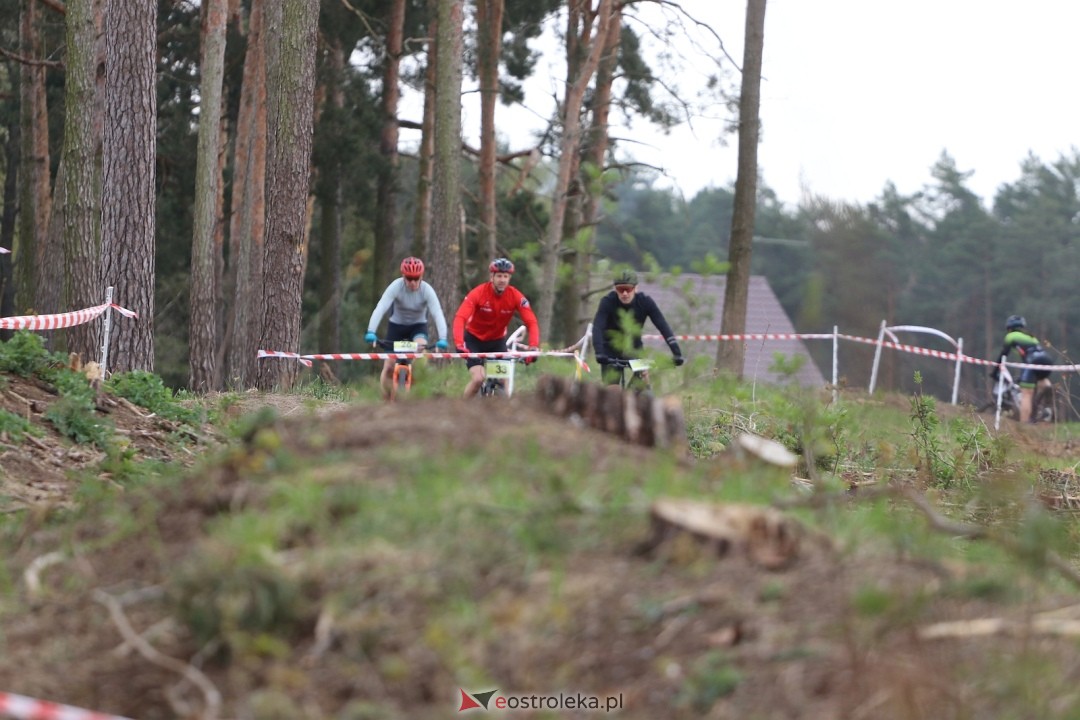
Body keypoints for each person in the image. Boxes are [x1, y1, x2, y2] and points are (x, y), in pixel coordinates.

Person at [453, 257, 541, 398]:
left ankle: (503, 416)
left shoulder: (515, 296)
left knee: (503, 381)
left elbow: (531, 322)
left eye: (506, 276)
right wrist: (459, 343)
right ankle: (462, 409)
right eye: (499, 276)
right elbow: (460, 318)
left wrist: (533, 347)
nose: (502, 280)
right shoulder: (479, 292)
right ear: (491, 277)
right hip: (474, 341)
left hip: (496, 342)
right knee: (478, 379)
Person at [365, 257, 449, 400]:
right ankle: (385, 397)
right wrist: (371, 331)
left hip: (417, 327)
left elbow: (437, 312)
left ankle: (416, 392)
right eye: (409, 279)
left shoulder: (427, 290)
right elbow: (381, 307)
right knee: (389, 366)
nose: (413, 283)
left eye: (416, 279)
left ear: (421, 276)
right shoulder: (396, 286)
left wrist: (443, 338)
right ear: (403, 276)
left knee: (420, 354)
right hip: (396, 327)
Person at [592, 269, 684, 386]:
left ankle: (636, 397)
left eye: (628, 289)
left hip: (634, 348)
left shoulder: (645, 302)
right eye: (621, 289)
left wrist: (677, 353)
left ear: (636, 288)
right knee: (612, 391)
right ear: (616, 290)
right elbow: (597, 328)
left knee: (643, 381)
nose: (625, 293)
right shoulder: (607, 302)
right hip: (610, 350)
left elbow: (663, 326)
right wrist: (599, 352)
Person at [997, 314, 1053, 423]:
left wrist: (995, 370)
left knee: (1026, 393)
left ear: (1009, 328)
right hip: (1046, 360)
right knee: (1043, 384)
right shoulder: (1031, 337)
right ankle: (1044, 408)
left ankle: (1025, 425)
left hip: (1032, 362)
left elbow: (1003, 355)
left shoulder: (1011, 336)